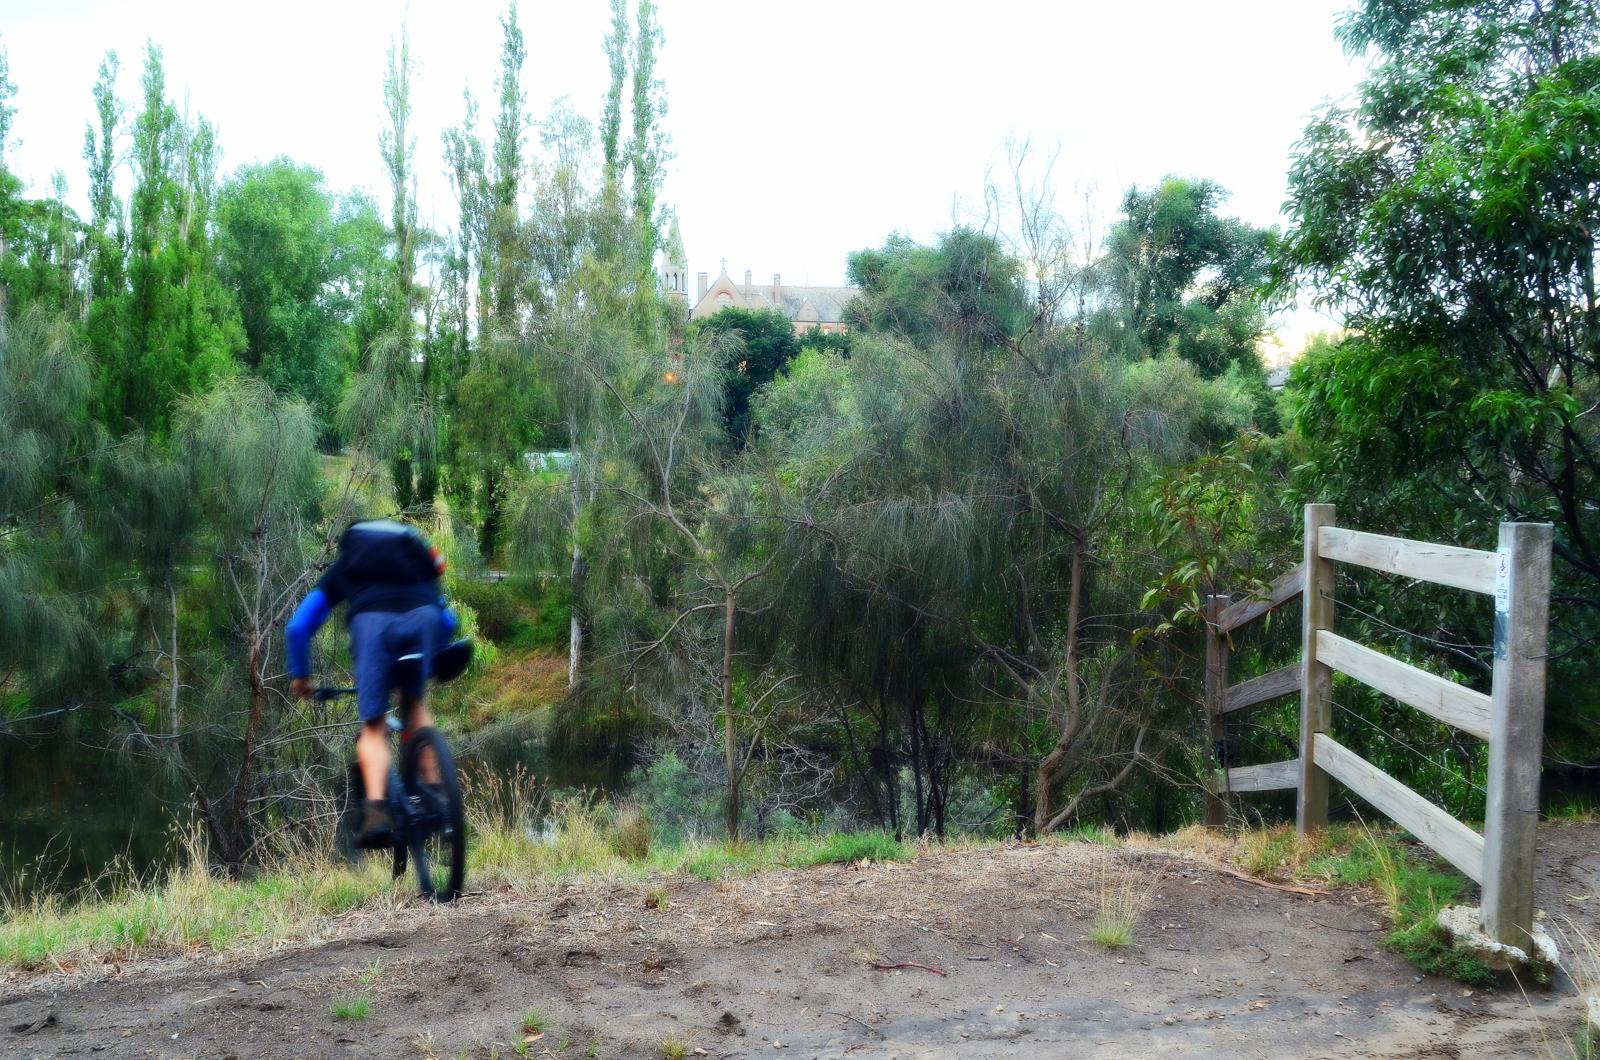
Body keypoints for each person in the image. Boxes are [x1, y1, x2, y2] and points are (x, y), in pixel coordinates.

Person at [286, 519, 457, 848]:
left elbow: (297, 628)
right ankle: (439, 796)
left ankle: (376, 813)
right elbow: (447, 619)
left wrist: (302, 675)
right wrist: (438, 652)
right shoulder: (414, 561)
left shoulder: (346, 567)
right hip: (425, 619)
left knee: (374, 726)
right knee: (415, 703)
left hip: (372, 626)